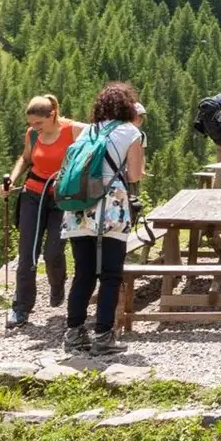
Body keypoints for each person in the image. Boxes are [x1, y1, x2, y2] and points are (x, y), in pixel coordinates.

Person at [60, 81, 145, 355]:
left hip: (77, 209)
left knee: (83, 273)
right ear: (127, 106)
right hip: (110, 208)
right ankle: (104, 337)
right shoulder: (131, 132)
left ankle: (74, 334)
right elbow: (134, 176)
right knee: (110, 274)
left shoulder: (86, 133)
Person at [0, 95, 80, 330]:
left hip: (62, 198)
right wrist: (11, 180)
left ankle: (57, 284)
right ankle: (21, 308)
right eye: (32, 123)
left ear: (52, 115)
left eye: (39, 123)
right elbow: (25, 159)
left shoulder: (72, 130)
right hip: (32, 194)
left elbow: (98, 136)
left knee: (54, 250)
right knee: (27, 253)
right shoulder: (32, 134)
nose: (34, 128)